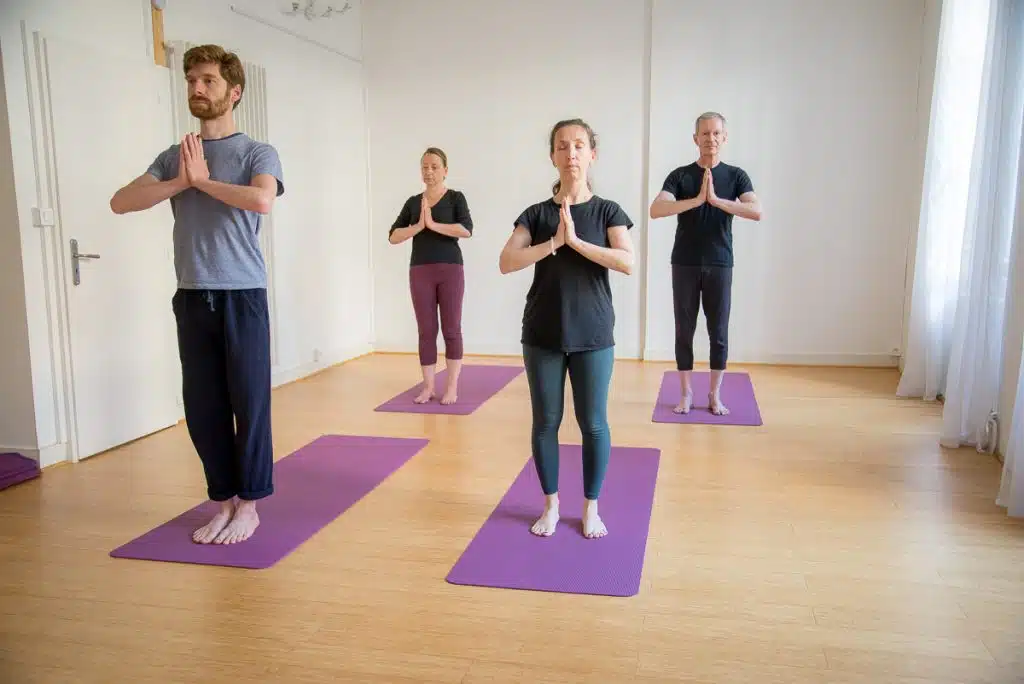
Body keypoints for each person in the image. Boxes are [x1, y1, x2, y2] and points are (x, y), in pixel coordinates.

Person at [109, 44, 284, 545]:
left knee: (248, 403)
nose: (197, 88)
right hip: (192, 296)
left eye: (207, 80)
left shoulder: (256, 151)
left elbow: (262, 199)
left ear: (234, 91)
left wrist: (204, 184)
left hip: (242, 294)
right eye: (191, 80)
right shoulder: (174, 157)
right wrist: (180, 182)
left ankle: (249, 505)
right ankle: (223, 501)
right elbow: (122, 201)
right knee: (203, 406)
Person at [498, 118, 634, 539]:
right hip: (543, 332)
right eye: (562, 146)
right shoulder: (537, 214)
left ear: (592, 154)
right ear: (553, 156)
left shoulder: (608, 211)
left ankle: (591, 507)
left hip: (593, 333)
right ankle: (551, 504)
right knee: (545, 422)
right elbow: (506, 261)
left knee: (593, 423)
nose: (571, 153)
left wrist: (577, 243)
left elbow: (627, 261)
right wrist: (554, 242)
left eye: (579, 146)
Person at [649, 111, 762, 415]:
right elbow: (656, 209)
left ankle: (714, 395)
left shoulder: (736, 175)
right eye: (705, 134)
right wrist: (697, 200)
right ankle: (686, 393)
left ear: (724, 138)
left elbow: (756, 210)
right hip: (684, 262)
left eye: (716, 134)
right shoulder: (681, 175)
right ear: (695, 138)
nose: (710, 139)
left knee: (719, 330)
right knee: (684, 330)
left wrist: (716, 201)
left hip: (720, 262)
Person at [388, 148, 473, 405]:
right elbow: (393, 236)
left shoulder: (456, 198)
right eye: (425, 167)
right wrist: (418, 226)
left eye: (435, 166)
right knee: (426, 330)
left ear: (445, 170)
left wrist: (433, 225)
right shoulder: (413, 203)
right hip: (420, 270)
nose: (429, 171)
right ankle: (428, 387)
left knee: (451, 329)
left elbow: (466, 230)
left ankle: (451, 387)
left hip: (450, 269)